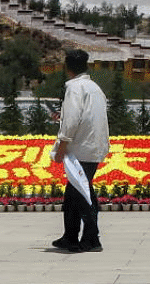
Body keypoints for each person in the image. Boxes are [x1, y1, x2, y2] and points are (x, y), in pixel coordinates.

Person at [50, 49, 109, 253]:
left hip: (80, 150)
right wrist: (63, 116)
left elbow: (73, 120)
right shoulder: (94, 88)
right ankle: (71, 236)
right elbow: (87, 116)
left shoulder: (74, 88)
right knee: (74, 194)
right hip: (93, 147)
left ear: (67, 67)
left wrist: (62, 145)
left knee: (82, 195)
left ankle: (92, 238)